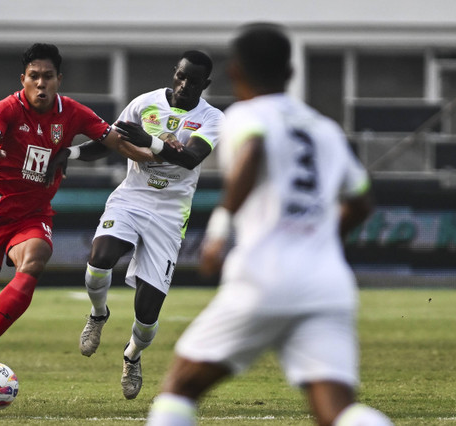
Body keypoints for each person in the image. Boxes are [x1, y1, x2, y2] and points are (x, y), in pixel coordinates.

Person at [146, 23, 393, 426]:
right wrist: (321, 239)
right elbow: (362, 201)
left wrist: (220, 231)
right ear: (290, 73)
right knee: (338, 410)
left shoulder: (245, 116)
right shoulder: (326, 129)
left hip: (265, 275)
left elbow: (255, 150)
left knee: (179, 389)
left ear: (236, 72)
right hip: (327, 284)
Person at [0, 43, 157, 369]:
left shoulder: (73, 112)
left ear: (58, 79)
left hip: (33, 215)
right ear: (23, 79)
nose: (41, 83)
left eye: (47, 76)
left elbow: (115, 141)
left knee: (35, 258)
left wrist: (157, 155)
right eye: (34, 76)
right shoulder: (7, 108)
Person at [51, 50, 224, 399]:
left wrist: (151, 141)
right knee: (100, 259)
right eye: (180, 76)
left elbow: (190, 158)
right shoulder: (145, 104)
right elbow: (109, 142)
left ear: (205, 85)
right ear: (174, 73)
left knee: (147, 316)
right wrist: (70, 154)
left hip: (170, 213)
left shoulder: (213, 118)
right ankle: (98, 315)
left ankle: (132, 355)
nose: (184, 85)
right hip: (132, 197)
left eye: (193, 81)